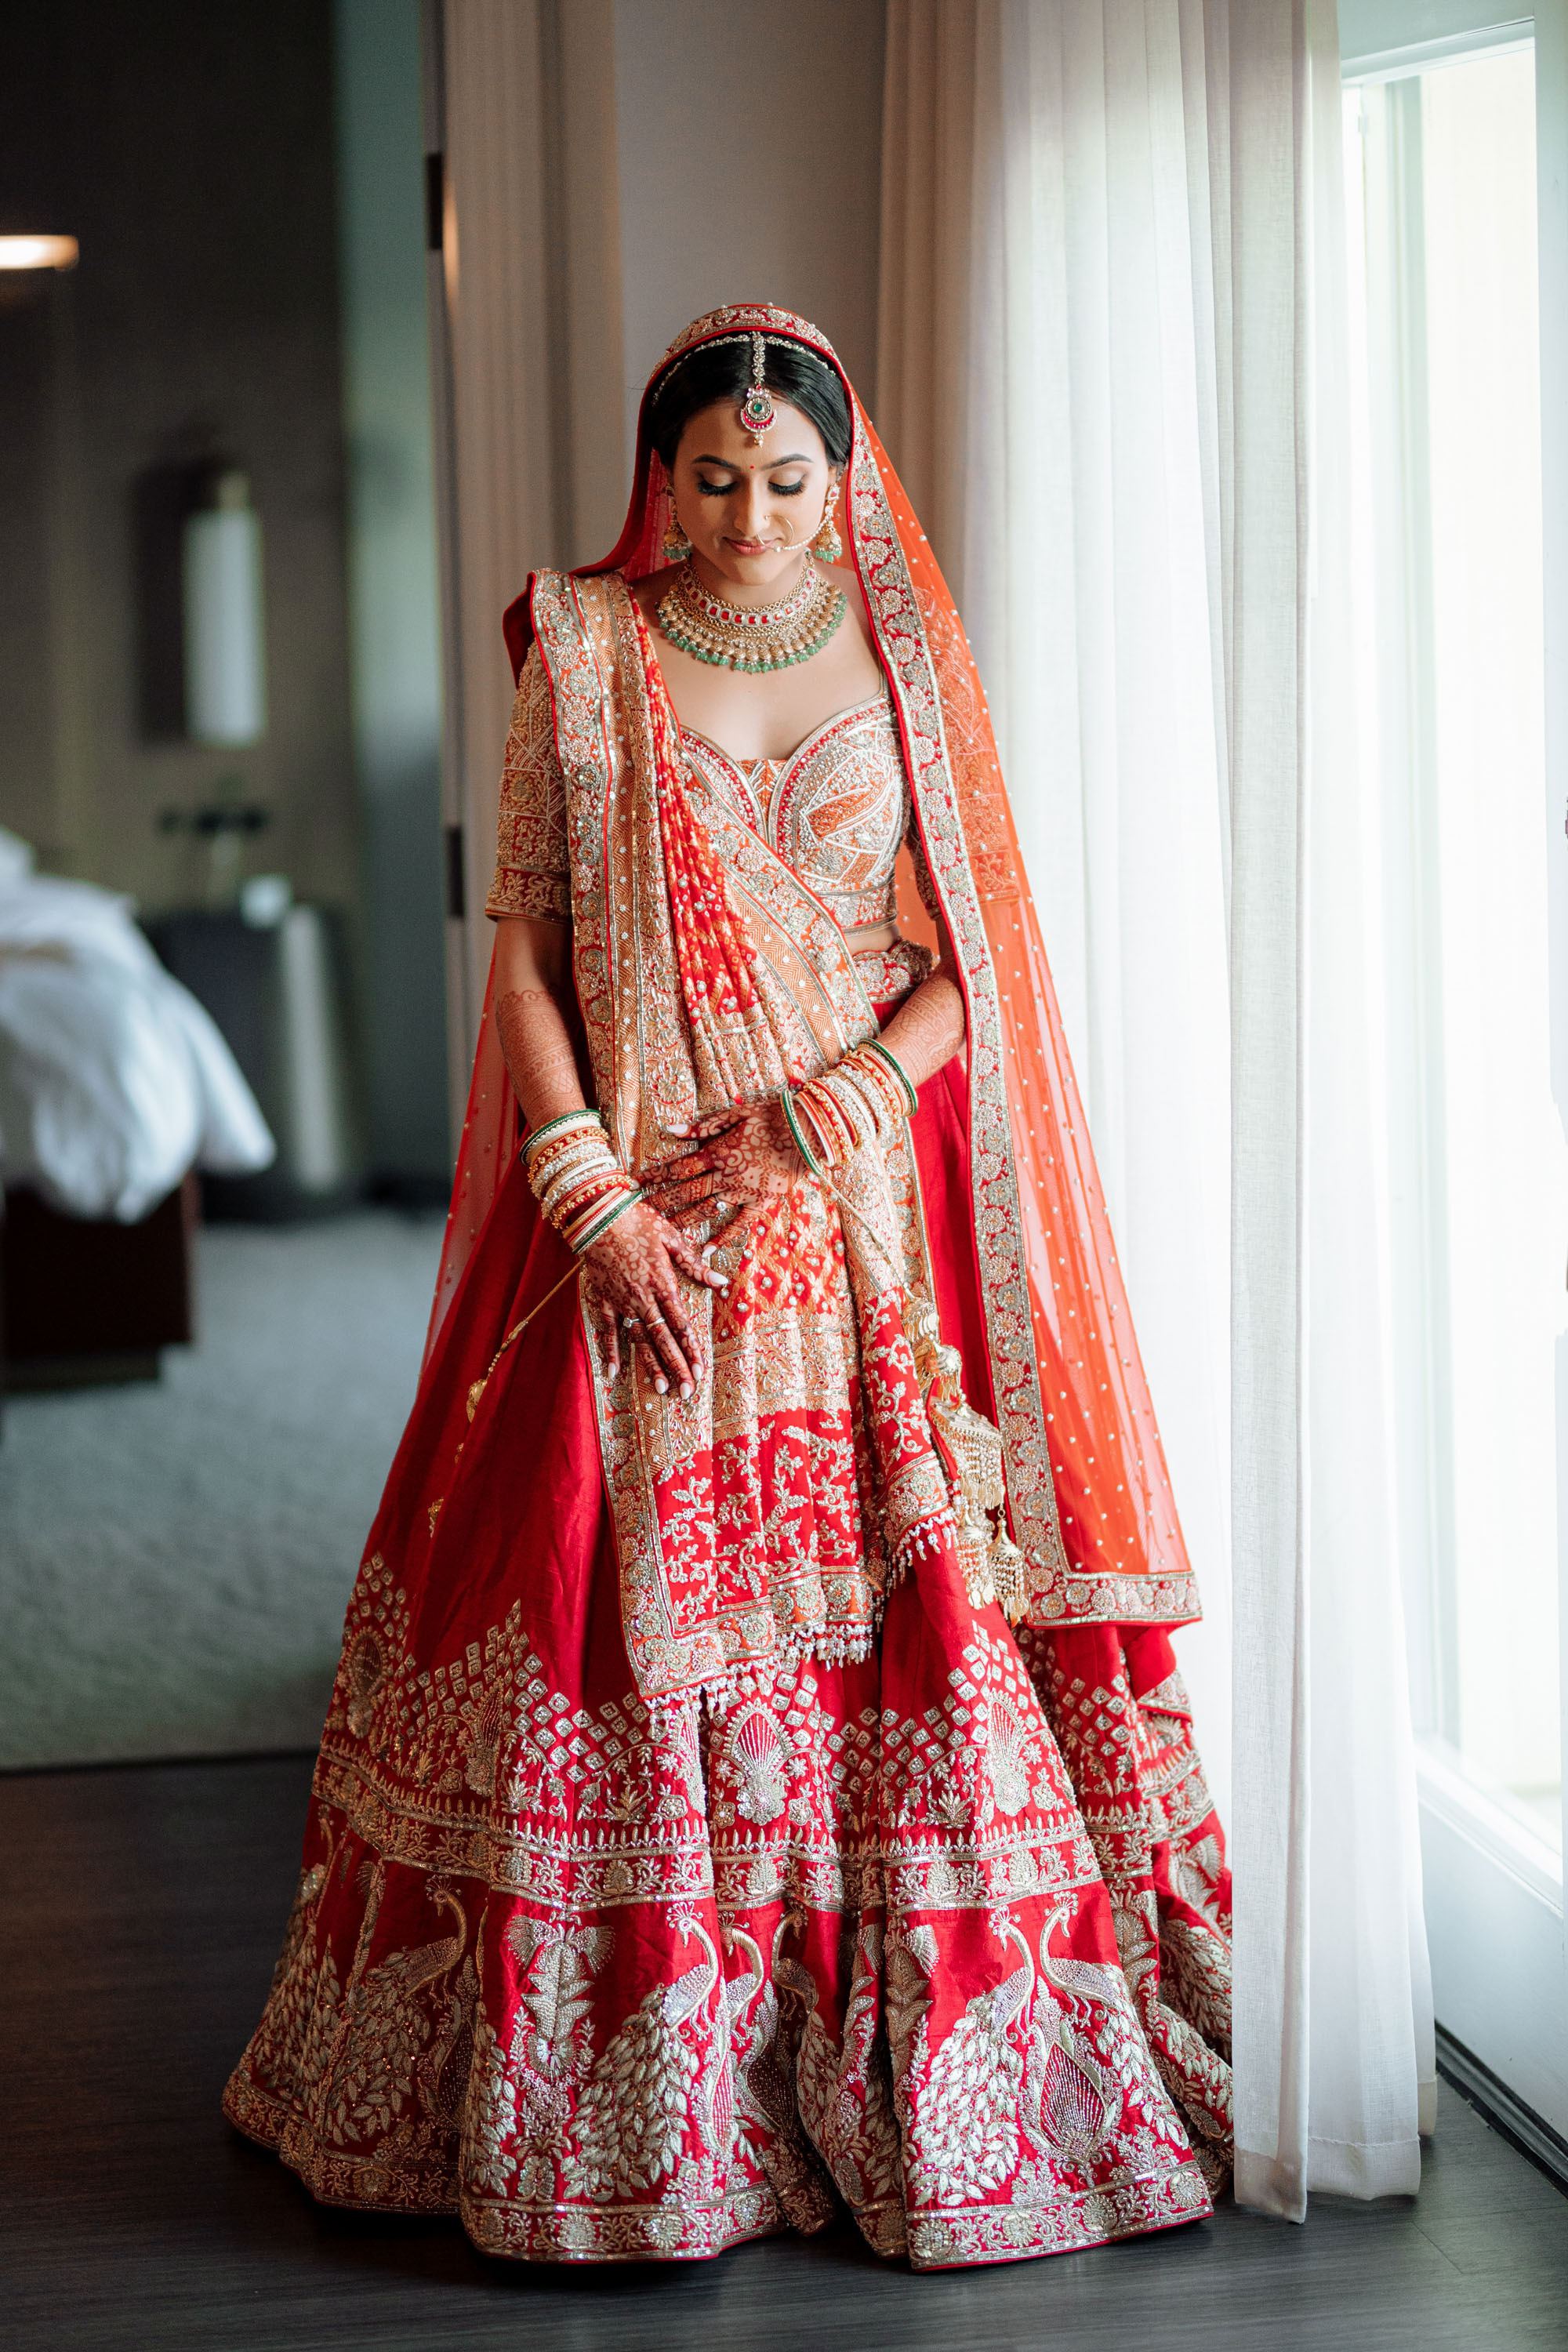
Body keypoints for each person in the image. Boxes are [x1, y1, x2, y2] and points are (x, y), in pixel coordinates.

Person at [225, 304, 1232, 2270]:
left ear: (843, 478)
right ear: (654, 479)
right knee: (589, 1617)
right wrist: (587, 1187)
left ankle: (910, 2080)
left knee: (889, 1633)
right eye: (712, 479)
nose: (752, 515)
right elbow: (521, 954)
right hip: (625, 1231)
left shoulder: (914, 671)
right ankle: (643, 2113)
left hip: (841, 1230)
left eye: (787, 479)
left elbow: (977, 981)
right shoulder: (583, 654)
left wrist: (824, 1111)